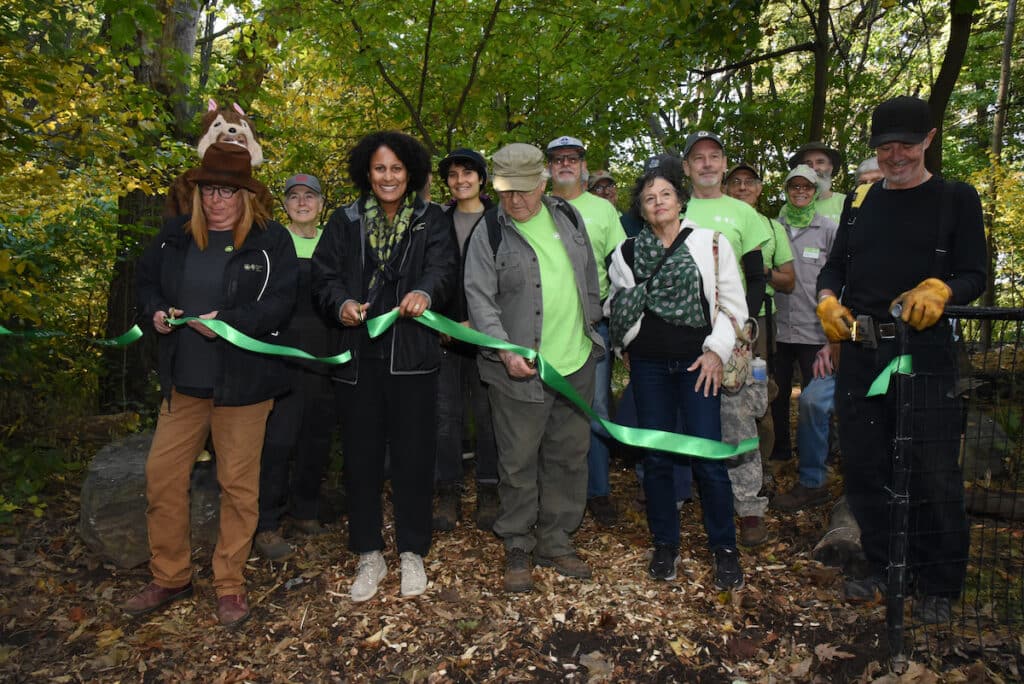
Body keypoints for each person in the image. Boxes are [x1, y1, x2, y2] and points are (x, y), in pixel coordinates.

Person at [816, 96, 986, 624]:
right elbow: (834, 268)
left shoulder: (956, 198)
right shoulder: (860, 202)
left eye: (907, 145)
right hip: (863, 355)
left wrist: (942, 288)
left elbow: (975, 275)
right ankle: (885, 565)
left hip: (924, 353)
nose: (896, 156)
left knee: (932, 468)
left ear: (929, 140)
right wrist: (826, 300)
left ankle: (939, 580)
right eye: (885, 147)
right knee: (867, 465)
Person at [125, 142, 298, 627]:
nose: (217, 200)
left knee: (238, 488)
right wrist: (156, 312)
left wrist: (230, 321)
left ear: (246, 196)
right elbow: (146, 284)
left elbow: (281, 304)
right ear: (196, 193)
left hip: (244, 386)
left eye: (228, 191)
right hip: (184, 383)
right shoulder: (173, 237)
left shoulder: (271, 241)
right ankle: (171, 575)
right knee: (162, 478)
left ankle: (229, 584)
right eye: (209, 190)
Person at [312, 131, 458, 602]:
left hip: (412, 355)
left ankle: (412, 552)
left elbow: (444, 268)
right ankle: (368, 553)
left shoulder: (430, 218)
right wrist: (342, 304)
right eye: (379, 169)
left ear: (410, 172)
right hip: (358, 358)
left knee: (415, 456)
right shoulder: (344, 220)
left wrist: (426, 292)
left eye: (396, 168)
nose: (388, 177)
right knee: (361, 457)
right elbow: (323, 276)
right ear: (366, 173)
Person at [464, 142, 604, 593]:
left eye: (524, 190)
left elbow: (587, 278)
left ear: (544, 182)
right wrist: (503, 349)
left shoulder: (568, 216)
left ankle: (556, 537)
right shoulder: (488, 231)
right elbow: (480, 299)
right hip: (517, 367)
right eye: (506, 191)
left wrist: (594, 324)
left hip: (575, 361)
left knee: (568, 455)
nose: (515, 200)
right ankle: (518, 543)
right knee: (518, 460)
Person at [605, 166, 746, 588]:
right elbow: (618, 307)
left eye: (665, 194)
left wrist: (715, 353)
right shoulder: (626, 253)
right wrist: (625, 347)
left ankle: (725, 549)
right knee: (657, 458)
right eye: (649, 198)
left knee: (708, 459)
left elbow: (732, 307)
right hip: (648, 367)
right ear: (642, 211)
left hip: (698, 365)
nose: (659, 202)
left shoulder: (711, 243)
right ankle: (665, 544)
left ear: (680, 200)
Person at [774, 155, 889, 513]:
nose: (869, 188)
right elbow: (837, 282)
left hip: (897, 346)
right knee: (811, 399)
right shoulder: (848, 226)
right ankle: (813, 481)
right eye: (863, 182)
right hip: (849, 339)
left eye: (877, 180)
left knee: (885, 406)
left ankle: (884, 484)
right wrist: (836, 339)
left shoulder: (909, 224)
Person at [681, 130, 772, 546]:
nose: (706, 163)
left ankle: (750, 507)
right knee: (688, 415)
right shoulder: (675, 208)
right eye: (698, 158)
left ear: (722, 163)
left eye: (714, 156)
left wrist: (741, 327)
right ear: (687, 168)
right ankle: (686, 496)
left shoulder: (743, 213)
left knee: (738, 419)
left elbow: (755, 277)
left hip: (734, 333)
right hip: (685, 332)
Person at [253, 173, 337, 562]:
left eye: (310, 196)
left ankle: (305, 510)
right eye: (294, 196)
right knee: (278, 439)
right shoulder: (271, 241)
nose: (302, 202)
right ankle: (266, 522)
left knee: (316, 435)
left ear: (321, 204)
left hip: (324, 357)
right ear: (284, 204)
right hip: (279, 355)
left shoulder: (333, 244)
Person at [546, 135, 627, 528]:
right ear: (548, 167)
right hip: (544, 328)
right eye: (558, 159)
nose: (565, 164)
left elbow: (622, 268)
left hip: (594, 327)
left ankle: (598, 491)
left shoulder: (603, 211)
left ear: (583, 165)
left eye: (572, 158)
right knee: (547, 410)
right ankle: (553, 492)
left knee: (594, 411)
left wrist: (624, 325)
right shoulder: (536, 206)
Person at [432, 147, 499, 532]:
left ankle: (489, 489)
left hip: (487, 337)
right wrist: (439, 321)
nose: (461, 180)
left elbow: (507, 280)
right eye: (453, 174)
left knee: (488, 417)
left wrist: (483, 322)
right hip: (443, 335)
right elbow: (429, 274)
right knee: (446, 417)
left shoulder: (498, 221)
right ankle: (448, 491)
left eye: (468, 173)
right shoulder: (437, 221)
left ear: (482, 179)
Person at [768, 165, 838, 468]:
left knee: (817, 399)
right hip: (779, 328)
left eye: (806, 187)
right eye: (794, 187)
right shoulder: (772, 227)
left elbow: (839, 276)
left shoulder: (828, 228)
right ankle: (780, 452)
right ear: (786, 189)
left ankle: (822, 457)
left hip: (815, 330)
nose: (800, 192)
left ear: (815, 191)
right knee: (777, 395)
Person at [781, 141, 846, 224]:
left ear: (830, 167)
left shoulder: (845, 202)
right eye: (808, 163)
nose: (814, 168)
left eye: (820, 162)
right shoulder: (788, 209)